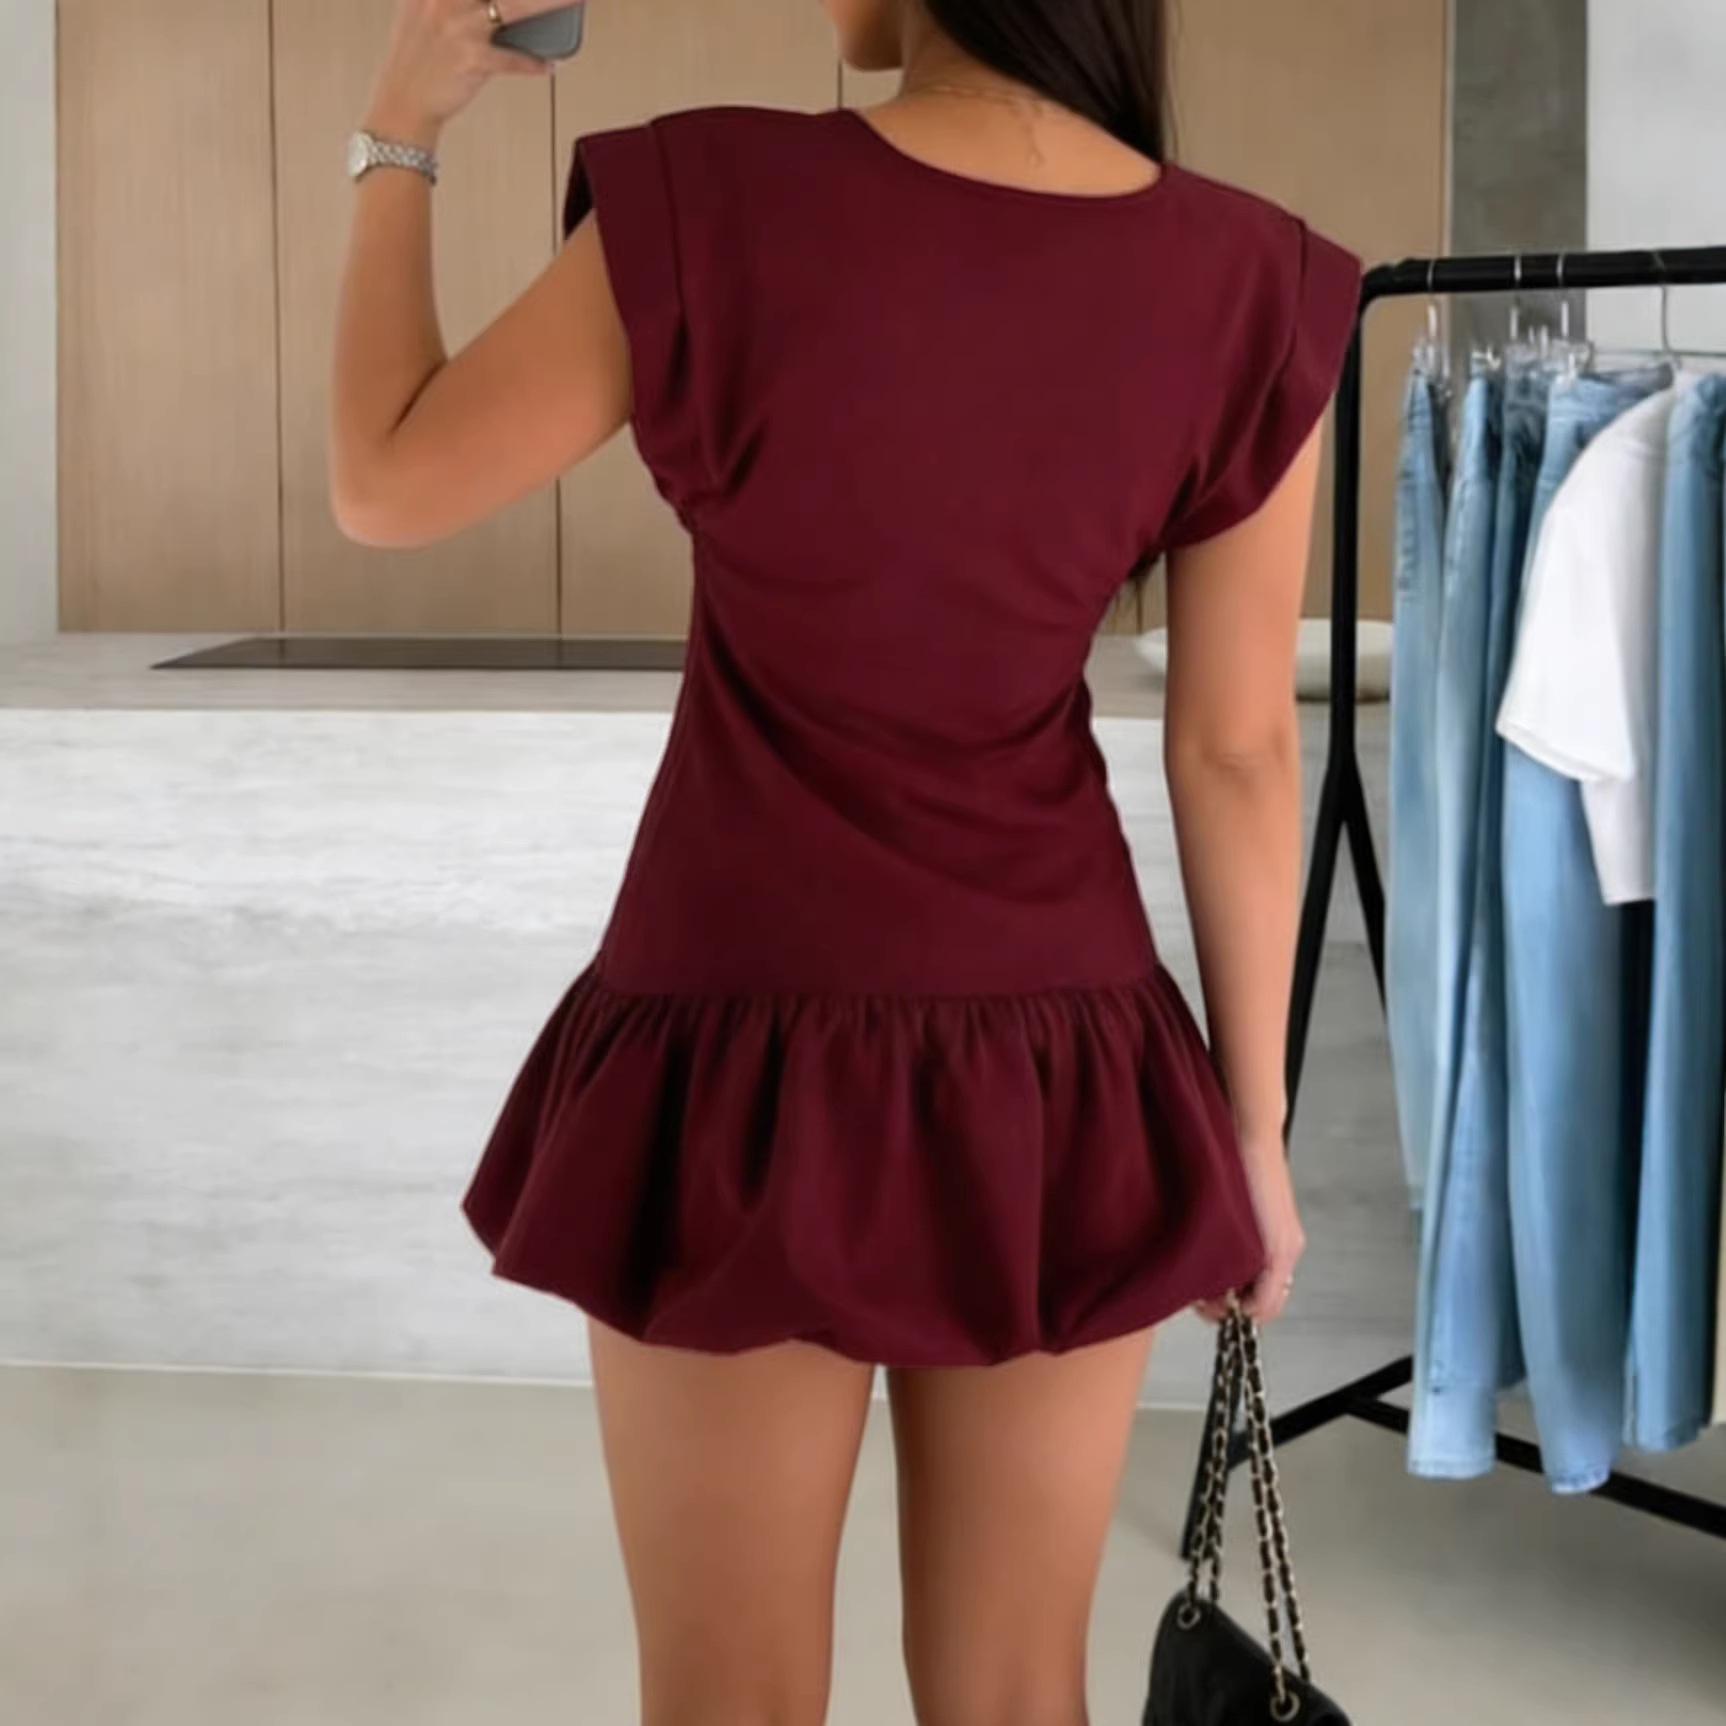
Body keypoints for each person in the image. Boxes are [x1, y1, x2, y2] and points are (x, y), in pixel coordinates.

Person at [331, 1, 1360, 1721]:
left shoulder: (710, 198)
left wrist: (401, 128)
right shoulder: (1252, 276)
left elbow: (383, 480)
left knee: (724, 1696)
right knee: (1015, 1692)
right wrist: (1250, 1128)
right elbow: (1236, 747)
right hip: (1058, 1069)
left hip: (727, 1053)